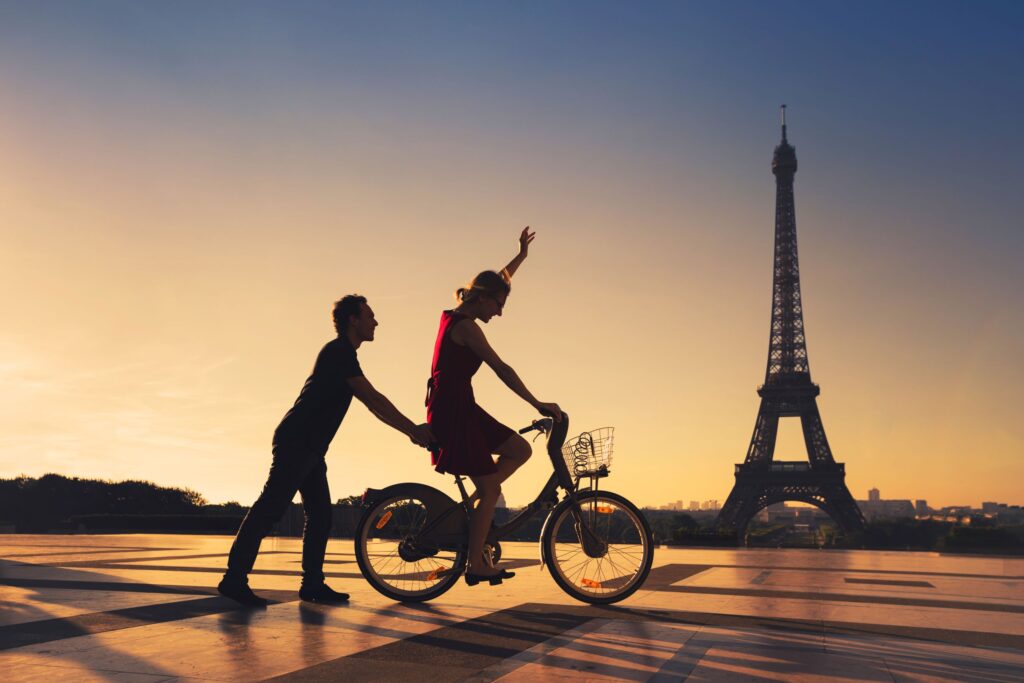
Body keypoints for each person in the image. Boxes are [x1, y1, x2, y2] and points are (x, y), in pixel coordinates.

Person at [218, 295, 434, 606]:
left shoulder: (345, 353)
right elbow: (373, 399)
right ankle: (234, 579)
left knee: (320, 514)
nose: (376, 322)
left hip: (311, 446)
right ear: (353, 320)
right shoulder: (338, 352)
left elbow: (373, 406)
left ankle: (312, 585)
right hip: (298, 441)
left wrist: (410, 431)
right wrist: (412, 430)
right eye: (370, 316)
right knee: (270, 509)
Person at [426, 227, 562, 586]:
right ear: (482, 299)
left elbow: (496, 281)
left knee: (519, 450)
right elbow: (501, 368)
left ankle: (478, 509)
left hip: (461, 405)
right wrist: (537, 402)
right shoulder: (467, 327)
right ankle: (476, 562)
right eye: (498, 305)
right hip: (453, 411)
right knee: (491, 490)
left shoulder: (457, 312)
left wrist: (520, 257)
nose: (500, 313)